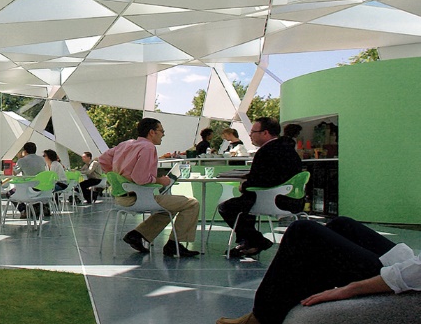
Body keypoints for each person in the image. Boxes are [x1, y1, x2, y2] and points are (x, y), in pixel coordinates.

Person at [216, 217, 421, 324]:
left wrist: (351, 288)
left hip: (413, 281)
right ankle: (284, 302)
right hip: (414, 267)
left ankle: (262, 317)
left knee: (302, 232)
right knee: (342, 225)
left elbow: (413, 275)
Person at [98, 118, 200, 257]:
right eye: (161, 131)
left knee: (168, 209)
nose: (163, 134)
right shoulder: (148, 147)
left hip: (121, 196)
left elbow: (103, 159)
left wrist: (118, 177)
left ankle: (137, 235)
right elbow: (140, 178)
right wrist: (160, 180)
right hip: (137, 197)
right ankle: (174, 245)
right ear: (152, 132)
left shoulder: (125, 144)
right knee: (191, 203)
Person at [219, 117, 303, 258]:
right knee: (244, 204)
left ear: (265, 133)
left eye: (253, 132)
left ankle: (257, 240)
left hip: (274, 200)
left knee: (227, 207)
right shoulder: (288, 149)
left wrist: (244, 186)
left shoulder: (266, 152)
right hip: (292, 199)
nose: (250, 135)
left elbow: (261, 180)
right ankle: (249, 243)